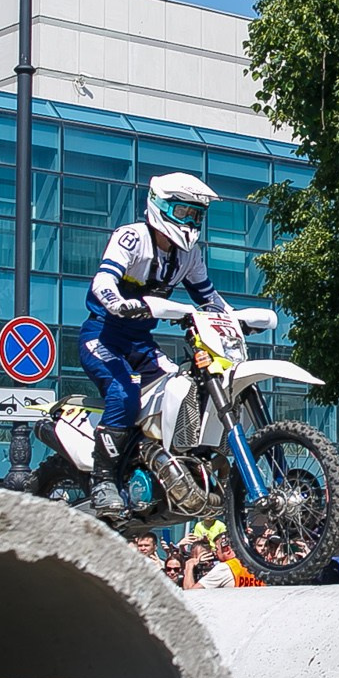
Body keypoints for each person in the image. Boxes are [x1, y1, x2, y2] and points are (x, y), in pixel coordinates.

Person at [78, 172, 239, 521]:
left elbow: (209, 298)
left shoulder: (189, 255)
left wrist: (235, 319)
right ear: (161, 206)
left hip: (141, 344)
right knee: (124, 395)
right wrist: (118, 302)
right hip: (102, 337)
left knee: (182, 391)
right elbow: (103, 279)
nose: (192, 221)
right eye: (185, 212)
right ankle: (103, 479)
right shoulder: (132, 238)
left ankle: (160, 465)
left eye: (197, 215)